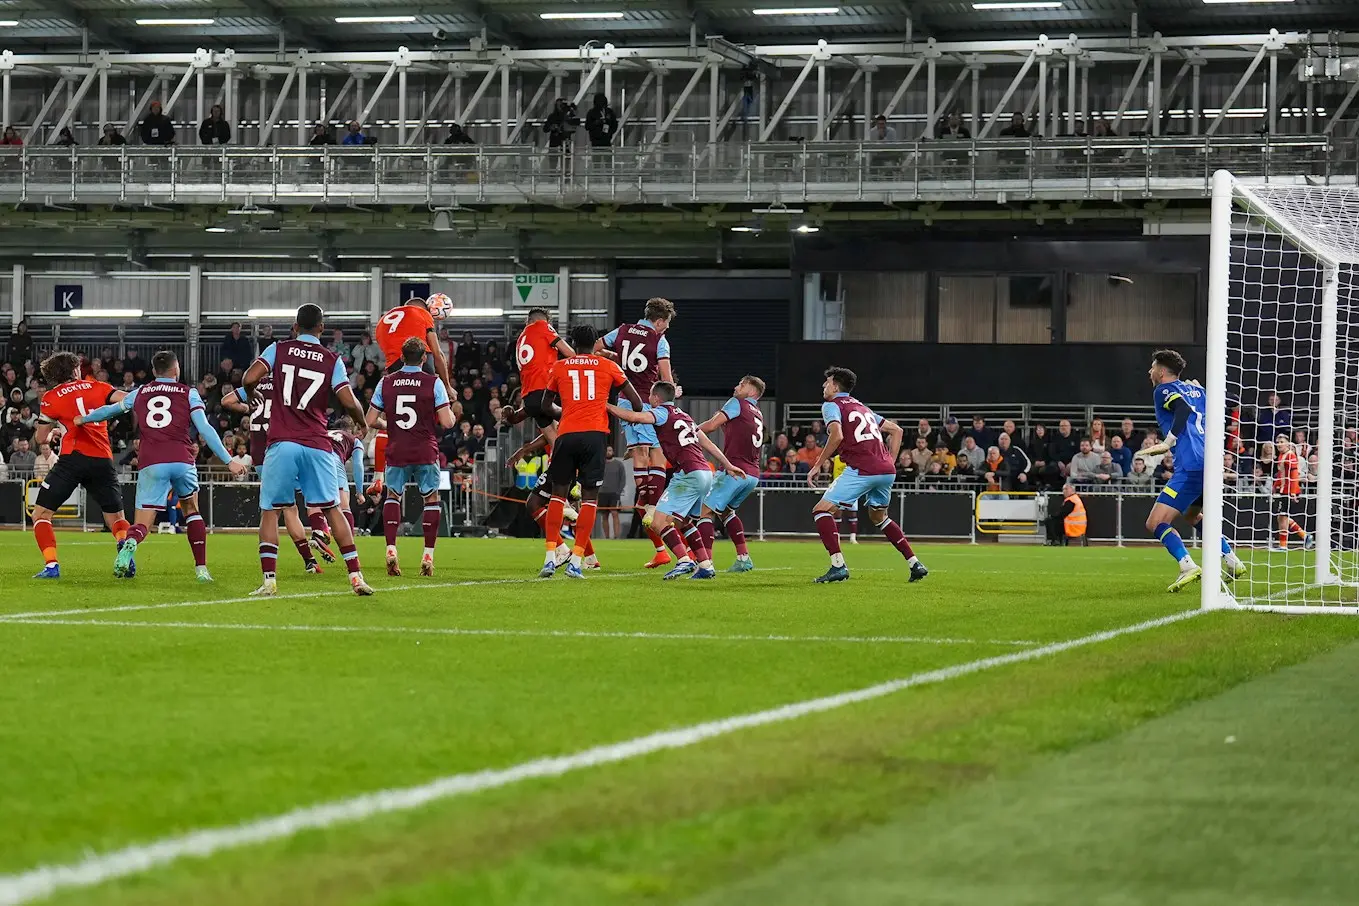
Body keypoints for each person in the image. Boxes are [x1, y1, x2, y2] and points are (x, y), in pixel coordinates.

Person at [75, 351, 244, 580]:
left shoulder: (141, 392)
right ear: (176, 370)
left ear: (154, 372)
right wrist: (229, 460)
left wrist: (83, 419)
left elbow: (110, 410)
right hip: (182, 460)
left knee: (143, 522)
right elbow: (205, 428)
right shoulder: (189, 393)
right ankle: (201, 569)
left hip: (151, 462)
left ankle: (131, 543)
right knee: (191, 511)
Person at [241, 303, 373, 596]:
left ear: (295, 326)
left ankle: (269, 582)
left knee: (270, 513)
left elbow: (249, 378)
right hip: (317, 443)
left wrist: (251, 395)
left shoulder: (279, 349)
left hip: (283, 443)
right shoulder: (332, 359)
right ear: (321, 328)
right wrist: (361, 422)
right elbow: (349, 400)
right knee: (333, 509)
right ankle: (356, 577)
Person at [609, 381, 745, 581]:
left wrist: (604, 405)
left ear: (656, 398)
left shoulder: (662, 413)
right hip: (705, 472)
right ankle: (705, 565)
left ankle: (684, 560)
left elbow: (635, 416)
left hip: (688, 474)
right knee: (684, 522)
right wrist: (728, 464)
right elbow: (708, 443)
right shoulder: (686, 416)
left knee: (657, 522)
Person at [1136, 349, 1246, 592]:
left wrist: (1167, 442)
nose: (1150, 371)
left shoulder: (1163, 390)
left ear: (1162, 371)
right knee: (1192, 516)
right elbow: (1229, 400)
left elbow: (1183, 410)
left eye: (1153, 367)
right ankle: (1231, 560)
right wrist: (1199, 391)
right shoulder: (1198, 390)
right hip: (1209, 463)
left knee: (1155, 522)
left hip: (1191, 466)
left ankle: (1187, 566)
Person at [806, 366, 927, 584]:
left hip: (863, 469)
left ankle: (838, 566)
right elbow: (896, 430)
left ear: (835, 385)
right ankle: (915, 563)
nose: (823, 386)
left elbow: (837, 435)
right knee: (879, 517)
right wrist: (890, 459)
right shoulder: (861, 407)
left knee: (821, 511)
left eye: (827, 382)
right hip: (886, 471)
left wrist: (818, 463)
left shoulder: (831, 405)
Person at [539, 324, 642, 579]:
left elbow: (544, 405)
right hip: (595, 435)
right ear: (596, 342)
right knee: (589, 499)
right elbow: (638, 403)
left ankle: (550, 558)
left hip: (566, 434)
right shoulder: (609, 367)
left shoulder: (560, 367)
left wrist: (566, 413)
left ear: (573, 344)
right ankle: (576, 561)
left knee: (557, 496)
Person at [29, 352, 132, 578]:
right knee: (116, 518)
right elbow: (129, 399)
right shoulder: (99, 387)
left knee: (41, 515)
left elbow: (40, 438)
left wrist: (55, 432)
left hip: (72, 459)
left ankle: (51, 565)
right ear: (74, 371)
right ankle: (124, 551)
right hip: (102, 459)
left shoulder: (51, 397)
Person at [222, 360, 328, 573]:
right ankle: (316, 541)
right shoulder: (284, 385)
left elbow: (226, 401)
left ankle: (310, 555)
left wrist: (248, 408)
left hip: (261, 457)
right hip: (282, 449)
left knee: (280, 509)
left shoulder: (255, 387)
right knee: (295, 504)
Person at [596, 297, 677, 567]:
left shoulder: (621, 331)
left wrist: (613, 359)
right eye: (665, 324)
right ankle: (652, 501)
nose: (665, 329)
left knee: (640, 451)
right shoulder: (659, 340)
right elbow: (665, 376)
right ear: (659, 320)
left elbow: (597, 347)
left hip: (624, 400)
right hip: (648, 400)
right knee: (652, 451)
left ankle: (649, 501)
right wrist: (672, 391)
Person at [366, 337, 454, 577]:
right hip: (425, 448)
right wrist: (453, 416)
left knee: (393, 496)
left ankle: (392, 548)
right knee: (431, 499)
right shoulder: (433, 382)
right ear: (424, 358)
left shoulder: (386, 382)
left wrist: (390, 424)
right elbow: (446, 421)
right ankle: (428, 554)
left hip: (397, 448)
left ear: (402, 357)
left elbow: (370, 420)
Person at [696, 375, 766, 572]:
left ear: (752, 391)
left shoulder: (738, 403)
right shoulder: (758, 413)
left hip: (735, 471)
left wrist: (686, 432)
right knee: (727, 512)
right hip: (752, 475)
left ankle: (705, 563)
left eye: (741, 384)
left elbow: (710, 425)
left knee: (705, 511)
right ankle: (743, 558)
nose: (736, 387)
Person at [501, 308, 574, 447]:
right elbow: (570, 353)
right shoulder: (542, 326)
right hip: (546, 391)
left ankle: (559, 466)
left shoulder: (521, 338)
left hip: (529, 397)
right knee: (575, 423)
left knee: (555, 441)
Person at [375, 298, 453, 395]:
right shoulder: (421, 312)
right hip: (420, 360)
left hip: (394, 367)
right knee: (428, 401)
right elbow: (437, 354)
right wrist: (447, 386)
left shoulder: (381, 322)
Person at [1273, 434, 1312, 551]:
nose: (1279, 444)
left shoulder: (1290, 455)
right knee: (1281, 517)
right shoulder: (1281, 456)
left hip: (1289, 491)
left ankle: (1283, 546)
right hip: (1283, 490)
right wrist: (1275, 486)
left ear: (1287, 443)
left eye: (1281, 442)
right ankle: (1305, 536)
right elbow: (1281, 474)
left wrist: (1293, 492)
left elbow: (1294, 475)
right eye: (1278, 442)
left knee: (1283, 517)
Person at [599, 445, 627, 540]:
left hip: (614, 493)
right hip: (602, 493)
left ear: (613, 452)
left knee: (615, 513)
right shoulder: (601, 464)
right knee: (604, 515)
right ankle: (607, 537)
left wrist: (618, 491)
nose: (608, 452)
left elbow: (623, 479)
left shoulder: (619, 464)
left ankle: (616, 536)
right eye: (607, 450)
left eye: (610, 450)